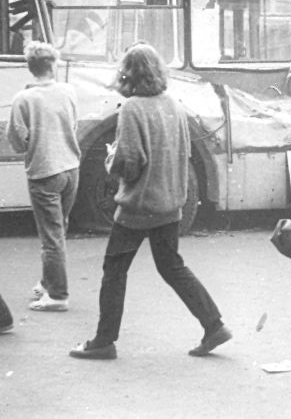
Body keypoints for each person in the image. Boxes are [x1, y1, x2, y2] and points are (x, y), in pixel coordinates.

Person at [69, 42, 230, 360]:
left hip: (138, 207)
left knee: (114, 270)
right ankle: (214, 325)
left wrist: (110, 159)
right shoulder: (172, 103)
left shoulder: (131, 109)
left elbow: (129, 162)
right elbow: (181, 153)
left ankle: (103, 341)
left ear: (130, 75)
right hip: (170, 204)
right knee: (172, 267)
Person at [7, 41, 81, 312]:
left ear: (30, 67)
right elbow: (73, 125)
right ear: (53, 65)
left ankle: (58, 295)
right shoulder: (69, 91)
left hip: (44, 172)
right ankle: (47, 281)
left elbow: (18, 140)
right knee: (60, 227)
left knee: (51, 236)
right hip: (71, 167)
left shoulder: (23, 99)